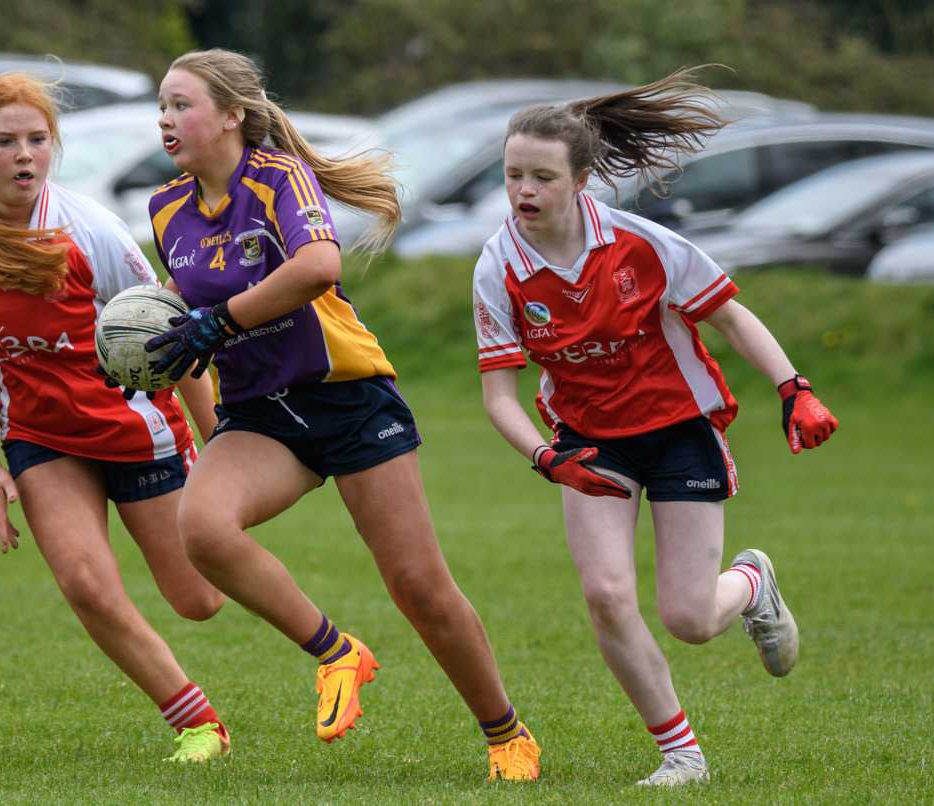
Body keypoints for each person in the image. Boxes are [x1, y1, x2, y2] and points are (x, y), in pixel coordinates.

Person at [140, 47, 541, 781]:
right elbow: (186, 323)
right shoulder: (166, 208)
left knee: (418, 585)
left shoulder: (276, 178)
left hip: (348, 400)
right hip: (261, 415)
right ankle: (336, 653)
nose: (165, 119)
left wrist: (218, 322)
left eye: (180, 104)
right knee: (201, 527)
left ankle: (506, 735)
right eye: (162, 106)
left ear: (230, 115)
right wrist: (155, 353)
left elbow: (318, 266)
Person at [471, 67, 839, 787]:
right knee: (605, 595)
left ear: (580, 180)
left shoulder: (641, 245)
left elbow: (728, 313)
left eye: (541, 177)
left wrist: (794, 388)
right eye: (513, 174)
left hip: (677, 428)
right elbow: (498, 398)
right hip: (586, 441)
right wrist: (548, 459)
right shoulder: (498, 266)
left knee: (690, 619)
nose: (523, 191)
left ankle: (752, 582)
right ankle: (681, 756)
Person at [0, 71, 233, 764]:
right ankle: (197, 723)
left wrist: (222, 443)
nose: (24, 155)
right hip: (39, 439)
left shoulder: (90, 231)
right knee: (86, 585)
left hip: (137, 430)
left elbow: (171, 340)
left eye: (37, 140)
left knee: (198, 600)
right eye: (5, 142)